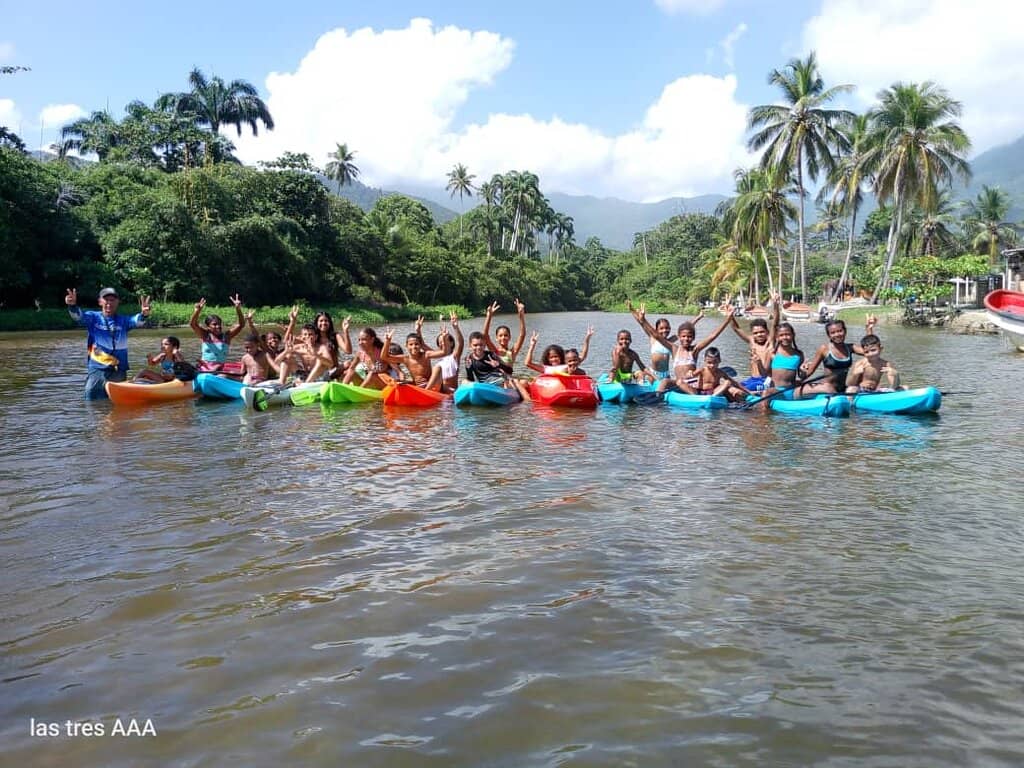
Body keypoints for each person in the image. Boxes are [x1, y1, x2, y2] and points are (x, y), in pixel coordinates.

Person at [66, 287, 151, 399]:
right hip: (98, 367)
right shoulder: (93, 317)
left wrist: (144, 314)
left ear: (117, 302)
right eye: (106, 300)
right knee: (92, 399)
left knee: (117, 400)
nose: (109, 303)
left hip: (119, 368)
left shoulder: (124, 321)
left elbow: (137, 321)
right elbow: (78, 317)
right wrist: (72, 306)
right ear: (100, 301)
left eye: (112, 300)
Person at [630, 302, 734, 392]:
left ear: (693, 338)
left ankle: (697, 396)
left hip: (692, 384)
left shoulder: (695, 350)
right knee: (666, 381)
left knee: (676, 381)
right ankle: (657, 399)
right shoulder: (674, 349)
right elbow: (656, 335)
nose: (686, 339)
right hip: (678, 383)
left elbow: (712, 336)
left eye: (689, 337)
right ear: (679, 337)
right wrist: (643, 320)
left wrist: (728, 319)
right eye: (683, 336)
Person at [798, 315, 878, 394]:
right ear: (829, 335)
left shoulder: (850, 347)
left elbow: (869, 352)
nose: (837, 334)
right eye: (833, 333)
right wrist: (802, 372)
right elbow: (810, 372)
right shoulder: (824, 349)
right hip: (826, 389)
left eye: (840, 331)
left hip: (842, 389)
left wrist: (869, 329)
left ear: (845, 331)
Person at [630, 307, 703, 380]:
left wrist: (698, 317)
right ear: (656, 330)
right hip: (653, 374)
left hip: (666, 374)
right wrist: (632, 310)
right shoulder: (653, 338)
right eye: (661, 328)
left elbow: (686, 328)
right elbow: (642, 323)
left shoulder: (670, 342)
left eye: (667, 328)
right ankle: (638, 374)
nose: (664, 330)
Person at [728, 296, 780, 392]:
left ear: (767, 332)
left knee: (740, 390)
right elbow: (736, 328)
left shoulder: (770, 342)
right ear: (752, 334)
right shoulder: (751, 341)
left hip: (765, 380)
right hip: (753, 380)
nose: (759, 335)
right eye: (756, 333)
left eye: (761, 332)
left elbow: (775, 324)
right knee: (730, 387)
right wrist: (730, 315)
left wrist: (776, 305)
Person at [464, 331, 531, 400]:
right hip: (486, 386)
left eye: (481, 345)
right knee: (465, 381)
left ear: (485, 345)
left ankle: (528, 404)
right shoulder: (469, 360)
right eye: (475, 345)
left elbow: (509, 370)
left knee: (519, 382)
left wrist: (498, 365)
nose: (478, 347)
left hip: (500, 382)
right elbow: (470, 378)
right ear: (470, 345)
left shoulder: (491, 355)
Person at [379, 326, 450, 390]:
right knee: (389, 378)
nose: (414, 347)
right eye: (411, 344)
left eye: (416, 344)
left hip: (432, 386)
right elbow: (384, 357)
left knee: (438, 368)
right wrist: (387, 341)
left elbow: (445, 352)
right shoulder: (405, 358)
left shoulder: (426, 355)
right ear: (406, 346)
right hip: (418, 387)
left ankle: (426, 391)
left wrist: (445, 339)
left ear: (420, 345)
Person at [190, 295, 245, 372]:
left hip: (219, 370)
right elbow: (193, 324)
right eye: (214, 324)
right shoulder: (205, 335)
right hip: (204, 368)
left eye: (219, 324)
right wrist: (197, 311)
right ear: (208, 327)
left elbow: (241, 325)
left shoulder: (226, 336)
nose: (218, 326)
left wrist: (238, 309)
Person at [677, 347, 750, 402]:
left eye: (715, 362)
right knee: (679, 382)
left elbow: (734, 382)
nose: (712, 365)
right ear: (705, 361)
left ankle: (712, 398)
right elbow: (689, 376)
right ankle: (696, 398)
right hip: (699, 392)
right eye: (709, 362)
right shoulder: (702, 370)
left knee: (728, 382)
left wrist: (748, 392)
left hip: (714, 392)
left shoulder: (720, 372)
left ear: (719, 361)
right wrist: (689, 373)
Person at [524, 327, 594, 374]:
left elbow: (583, 356)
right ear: (547, 359)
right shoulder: (545, 368)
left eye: (556, 356)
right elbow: (528, 363)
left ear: (561, 357)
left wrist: (587, 340)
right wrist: (532, 346)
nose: (554, 359)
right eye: (551, 357)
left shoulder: (568, 364)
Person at [481, 299, 527, 366]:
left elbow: (522, 335)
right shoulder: (494, 351)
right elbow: (485, 335)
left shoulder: (512, 352)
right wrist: (489, 316)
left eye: (506, 335)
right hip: (495, 376)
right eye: (500, 335)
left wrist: (521, 316)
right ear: (496, 338)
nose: (503, 337)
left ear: (509, 337)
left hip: (507, 376)